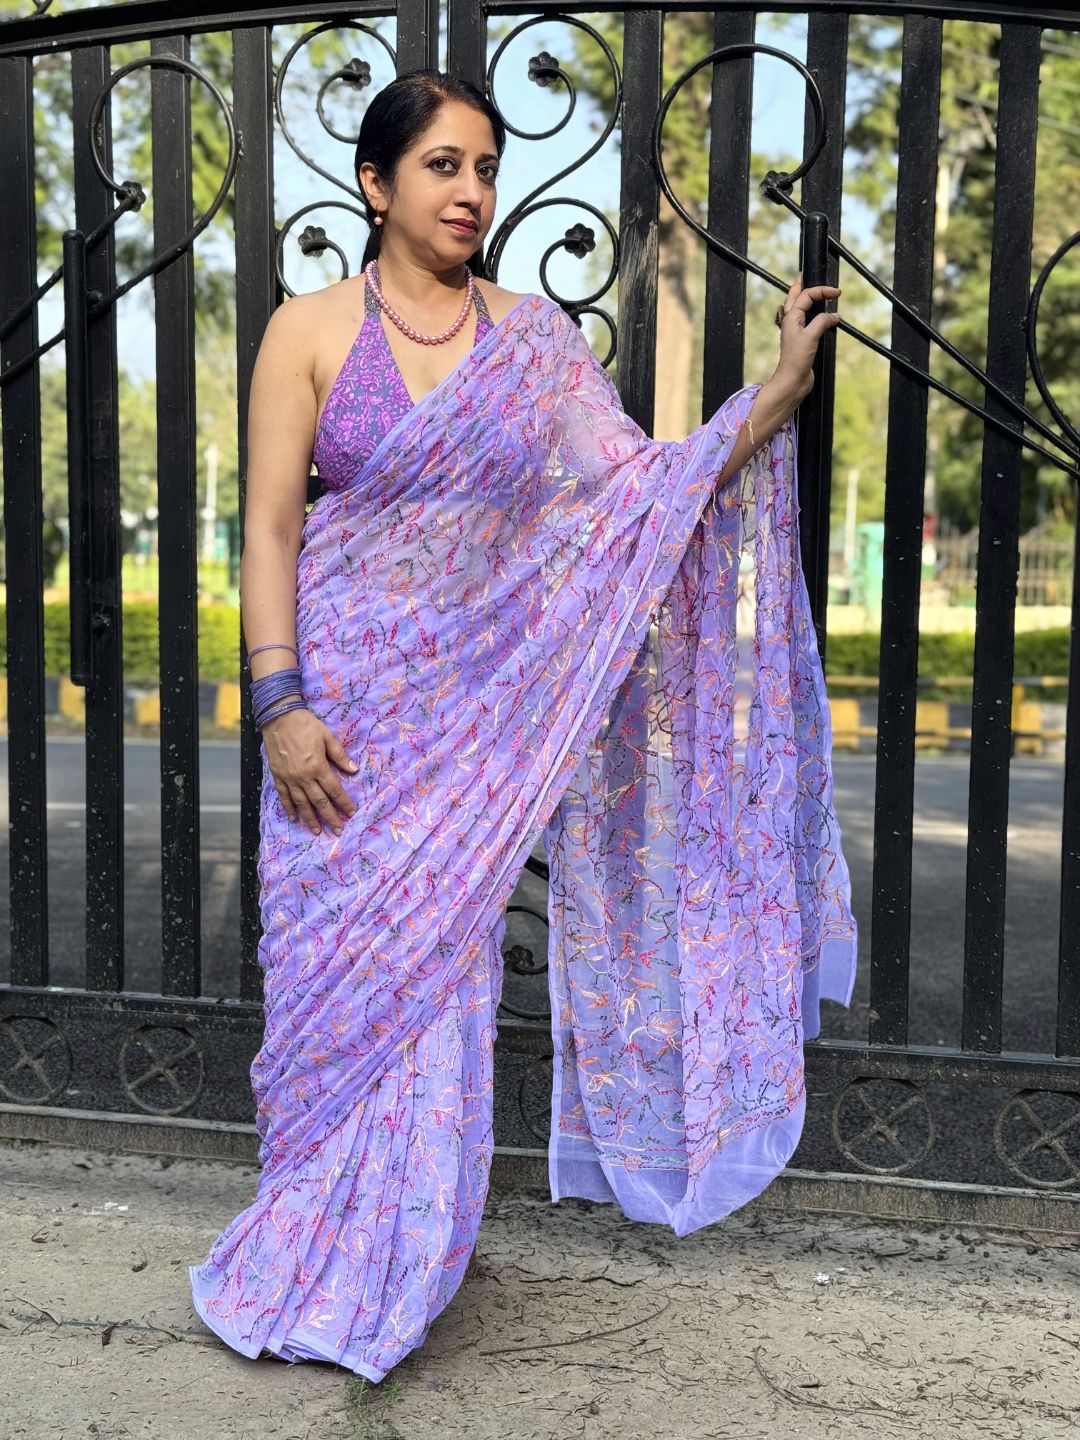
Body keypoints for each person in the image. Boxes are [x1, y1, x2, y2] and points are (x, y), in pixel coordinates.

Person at [189, 67, 856, 1383]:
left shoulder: (534, 341)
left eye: (485, 168)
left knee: (440, 997)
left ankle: (400, 1266)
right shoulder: (308, 332)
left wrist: (777, 390)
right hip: (336, 723)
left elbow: (636, 499)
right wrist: (279, 704)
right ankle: (310, 1242)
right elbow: (267, 528)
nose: (471, 192)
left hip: (472, 735)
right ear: (376, 184)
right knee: (339, 994)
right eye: (442, 166)